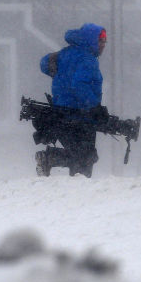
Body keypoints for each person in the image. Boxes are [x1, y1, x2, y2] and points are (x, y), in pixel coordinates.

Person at [36, 23, 107, 177]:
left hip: (60, 114)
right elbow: (79, 84)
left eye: (104, 42)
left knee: (79, 155)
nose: (103, 45)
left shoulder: (66, 54)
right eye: (100, 41)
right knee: (85, 158)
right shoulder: (88, 59)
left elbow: (44, 64)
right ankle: (50, 160)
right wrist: (94, 107)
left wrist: (54, 62)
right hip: (81, 116)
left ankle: (51, 159)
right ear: (90, 40)